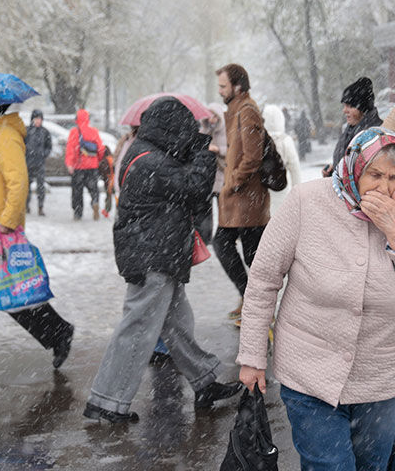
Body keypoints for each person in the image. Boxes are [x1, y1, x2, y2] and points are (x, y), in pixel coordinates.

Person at [237, 127, 395, 470]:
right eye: (375, 175)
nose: (385, 188)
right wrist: (252, 356)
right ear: (354, 168)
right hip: (310, 372)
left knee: (372, 464)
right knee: (330, 466)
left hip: (381, 376)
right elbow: (264, 280)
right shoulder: (306, 202)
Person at [84, 97, 241, 423]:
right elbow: (195, 188)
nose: (189, 135)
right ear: (171, 129)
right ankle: (108, 402)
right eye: (186, 130)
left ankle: (205, 382)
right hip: (153, 255)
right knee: (138, 327)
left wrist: (193, 151)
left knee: (176, 323)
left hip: (157, 253)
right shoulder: (150, 162)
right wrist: (201, 153)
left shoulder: (146, 152)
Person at [0, 104, 75, 373]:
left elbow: (18, 181)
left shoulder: (5, 134)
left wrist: (9, 223)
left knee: (10, 291)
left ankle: (57, 332)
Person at [213, 64, 271, 323]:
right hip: (240, 201)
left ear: (237, 86)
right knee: (246, 253)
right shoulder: (237, 110)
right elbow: (241, 153)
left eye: (223, 86)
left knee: (244, 252)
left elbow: (252, 157)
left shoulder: (247, 111)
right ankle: (251, 300)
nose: (220, 91)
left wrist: (232, 182)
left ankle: (255, 304)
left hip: (247, 201)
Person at [322, 77, 383, 177]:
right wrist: (334, 170)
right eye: (344, 106)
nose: (344, 110)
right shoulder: (351, 129)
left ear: (363, 109)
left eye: (350, 106)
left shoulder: (376, 134)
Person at [65, 108, 105, 221]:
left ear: (77, 119)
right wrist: (97, 159)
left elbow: (71, 149)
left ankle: (78, 213)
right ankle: (95, 201)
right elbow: (101, 149)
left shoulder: (74, 132)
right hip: (92, 166)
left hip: (79, 166)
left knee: (77, 191)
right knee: (93, 188)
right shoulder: (94, 131)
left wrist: (69, 163)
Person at [262, 104, 302, 216]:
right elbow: (295, 169)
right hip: (281, 186)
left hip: (263, 188)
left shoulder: (259, 139)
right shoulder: (286, 140)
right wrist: (297, 191)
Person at [24, 109, 52, 216]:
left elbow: (49, 146)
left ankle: (40, 206)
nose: (38, 121)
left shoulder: (45, 132)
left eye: (39, 119)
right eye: (36, 119)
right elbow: (22, 144)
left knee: (41, 186)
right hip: (28, 162)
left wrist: (43, 154)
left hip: (40, 163)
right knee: (26, 186)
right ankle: (26, 205)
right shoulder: (26, 131)